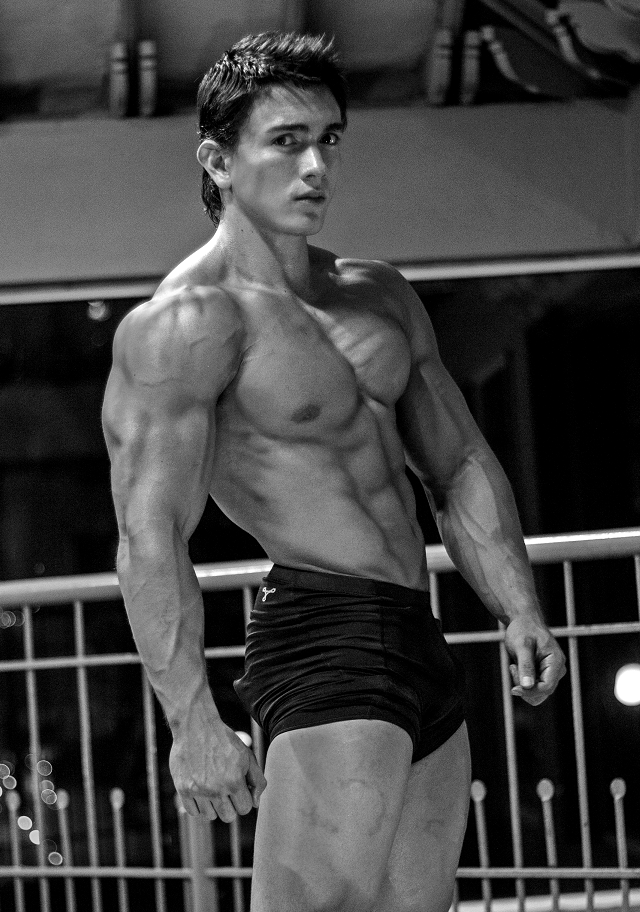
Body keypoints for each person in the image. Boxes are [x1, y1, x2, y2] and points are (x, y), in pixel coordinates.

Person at [102, 31, 566, 912]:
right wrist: (191, 722)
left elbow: (458, 461)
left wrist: (519, 606)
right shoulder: (186, 326)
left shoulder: (378, 293)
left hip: (416, 635)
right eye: (287, 142)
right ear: (218, 160)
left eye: (329, 140)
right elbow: (148, 533)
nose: (316, 166)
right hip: (326, 638)